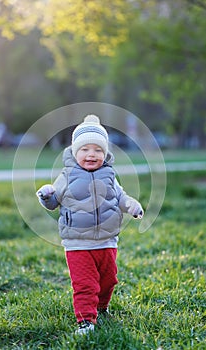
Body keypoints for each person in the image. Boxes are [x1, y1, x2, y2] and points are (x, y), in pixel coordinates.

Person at [36, 115, 144, 335]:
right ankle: (86, 321)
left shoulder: (110, 175)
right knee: (85, 284)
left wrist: (131, 205)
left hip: (107, 241)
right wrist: (47, 195)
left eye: (98, 150)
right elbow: (54, 201)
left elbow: (120, 197)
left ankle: (101, 307)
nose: (91, 154)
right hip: (77, 243)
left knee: (109, 280)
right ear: (75, 152)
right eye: (85, 149)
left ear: (105, 154)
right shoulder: (67, 176)